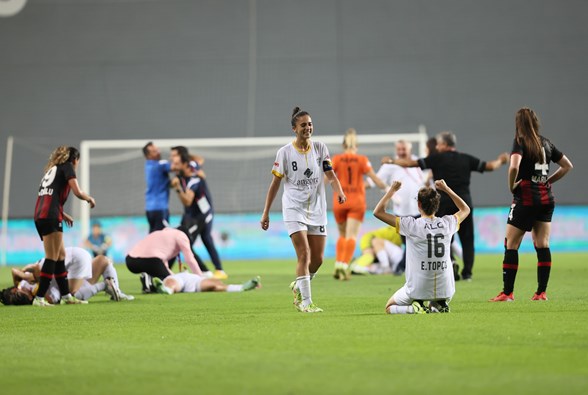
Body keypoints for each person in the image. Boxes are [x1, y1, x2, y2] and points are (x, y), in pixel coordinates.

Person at [384, 131, 508, 281]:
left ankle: (452, 261)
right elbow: (489, 166)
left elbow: (410, 164)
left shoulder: (436, 158)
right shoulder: (466, 158)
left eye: (438, 144)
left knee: (444, 235)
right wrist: (501, 161)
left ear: (443, 145)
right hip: (463, 201)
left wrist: (392, 161)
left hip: (442, 202)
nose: (437, 146)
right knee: (468, 238)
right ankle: (467, 273)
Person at [260, 106, 346, 313]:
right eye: (303, 125)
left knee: (318, 259)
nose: (308, 128)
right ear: (294, 129)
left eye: (310, 124)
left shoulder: (320, 148)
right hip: (293, 208)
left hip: (317, 209)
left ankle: (299, 283)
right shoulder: (285, 153)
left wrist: (340, 191)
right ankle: (305, 302)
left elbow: (330, 175)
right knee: (304, 254)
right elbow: (275, 184)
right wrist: (266, 212)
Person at [490, 108, 573, 302]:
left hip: (526, 198)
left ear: (518, 123)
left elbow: (513, 166)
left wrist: (512, 185)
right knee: (542, 244)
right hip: (546, 198)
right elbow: (567, 165)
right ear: (535, 122)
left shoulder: (520, 141)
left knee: (511, 244)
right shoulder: (546, 142)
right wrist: (547, 181)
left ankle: (507, 293)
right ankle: (541, 293)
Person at [374, 180, 470, 314]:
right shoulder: (448, 223)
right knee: (435, 297)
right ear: (437, 205)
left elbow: (378, 212)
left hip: (418, 289)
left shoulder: (411, 225)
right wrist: (447, 189)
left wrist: (392, 190)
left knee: (389, 307)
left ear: (419, 204)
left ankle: (414, 308)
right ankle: (439, 304)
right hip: (446, 289)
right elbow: (465, 209)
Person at [33, 146, 95, 307]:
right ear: (75, 159)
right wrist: (88, 198)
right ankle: (39, 298)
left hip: (42, 215)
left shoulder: (52, 170)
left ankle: (66, 296)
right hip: (51, 216)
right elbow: (77, 191)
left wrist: (63, 213)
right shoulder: (67, 167)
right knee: (52, 257)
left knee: (60, 256)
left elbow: (49, 196)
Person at [331, 128, 387, 280]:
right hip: (356, 202)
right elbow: (375, 179)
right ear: (356, 145)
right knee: (352, 236)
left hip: (339, 201)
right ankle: (344, 265)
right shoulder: (362, 160)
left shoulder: (336, 159)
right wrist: (387, 188)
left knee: (342, 235)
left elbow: (326, 177)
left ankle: (338, 263)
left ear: (343, 145)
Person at [1, 247, 133, 306]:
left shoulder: (26, 283)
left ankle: (105, 285)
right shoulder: (26, 286)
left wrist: (23, 276)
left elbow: (35, 270)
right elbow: (53, 296)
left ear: (15, 289)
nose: (30, 297)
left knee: (71, 294)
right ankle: (116, 290)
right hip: (75, 256)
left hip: (73, 262)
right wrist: (23, 275)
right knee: (103, 261)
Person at [372, 139, 428, 275]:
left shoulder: (417, 162)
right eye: (399, 149)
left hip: (419, 211)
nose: (401, 152)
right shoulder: (389, 166)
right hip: (401, 212)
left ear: (410, 149)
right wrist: (387, 189)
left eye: (404, 149)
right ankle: (403, 267)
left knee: (416, 242)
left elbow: (427, 179)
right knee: (408, 242)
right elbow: (376, 179)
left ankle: (402, 268)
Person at [171, 150, 226, 279]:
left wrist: (177, 188)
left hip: (202, 214)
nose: (172, 160)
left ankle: (208, 271)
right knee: (203, 239)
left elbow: (187, 201)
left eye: (175, 156)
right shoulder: (180, 173)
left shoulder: (193, 177)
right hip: (191, 214)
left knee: (187, 242)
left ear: (184, 161)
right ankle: (216, 270)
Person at [125, 226, 204, 293]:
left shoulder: (160, 233)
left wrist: (173, 276)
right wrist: (200, 279)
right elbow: (190, 259)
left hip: (130, 261)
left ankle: (149, 281)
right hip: (151, 261)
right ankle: (150, 279)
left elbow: (163, 266)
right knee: (169, 282)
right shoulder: (181, 235)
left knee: (167, 277)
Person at [143, 142, 171, 233]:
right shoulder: (160, 165)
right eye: (154, 151)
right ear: (148, 155)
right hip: (160, 208)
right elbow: (177, 167)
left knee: (152, 236)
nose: (158, 152)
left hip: (149, 209)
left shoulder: (148, 166)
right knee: (162, 237)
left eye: (158, 149)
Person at [151, 272, 261, 295]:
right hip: (178, 276)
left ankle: (241, 287)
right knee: (172, 282)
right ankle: (167, 290)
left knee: (215, 284)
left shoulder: (199, 277)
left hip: (196, 281)